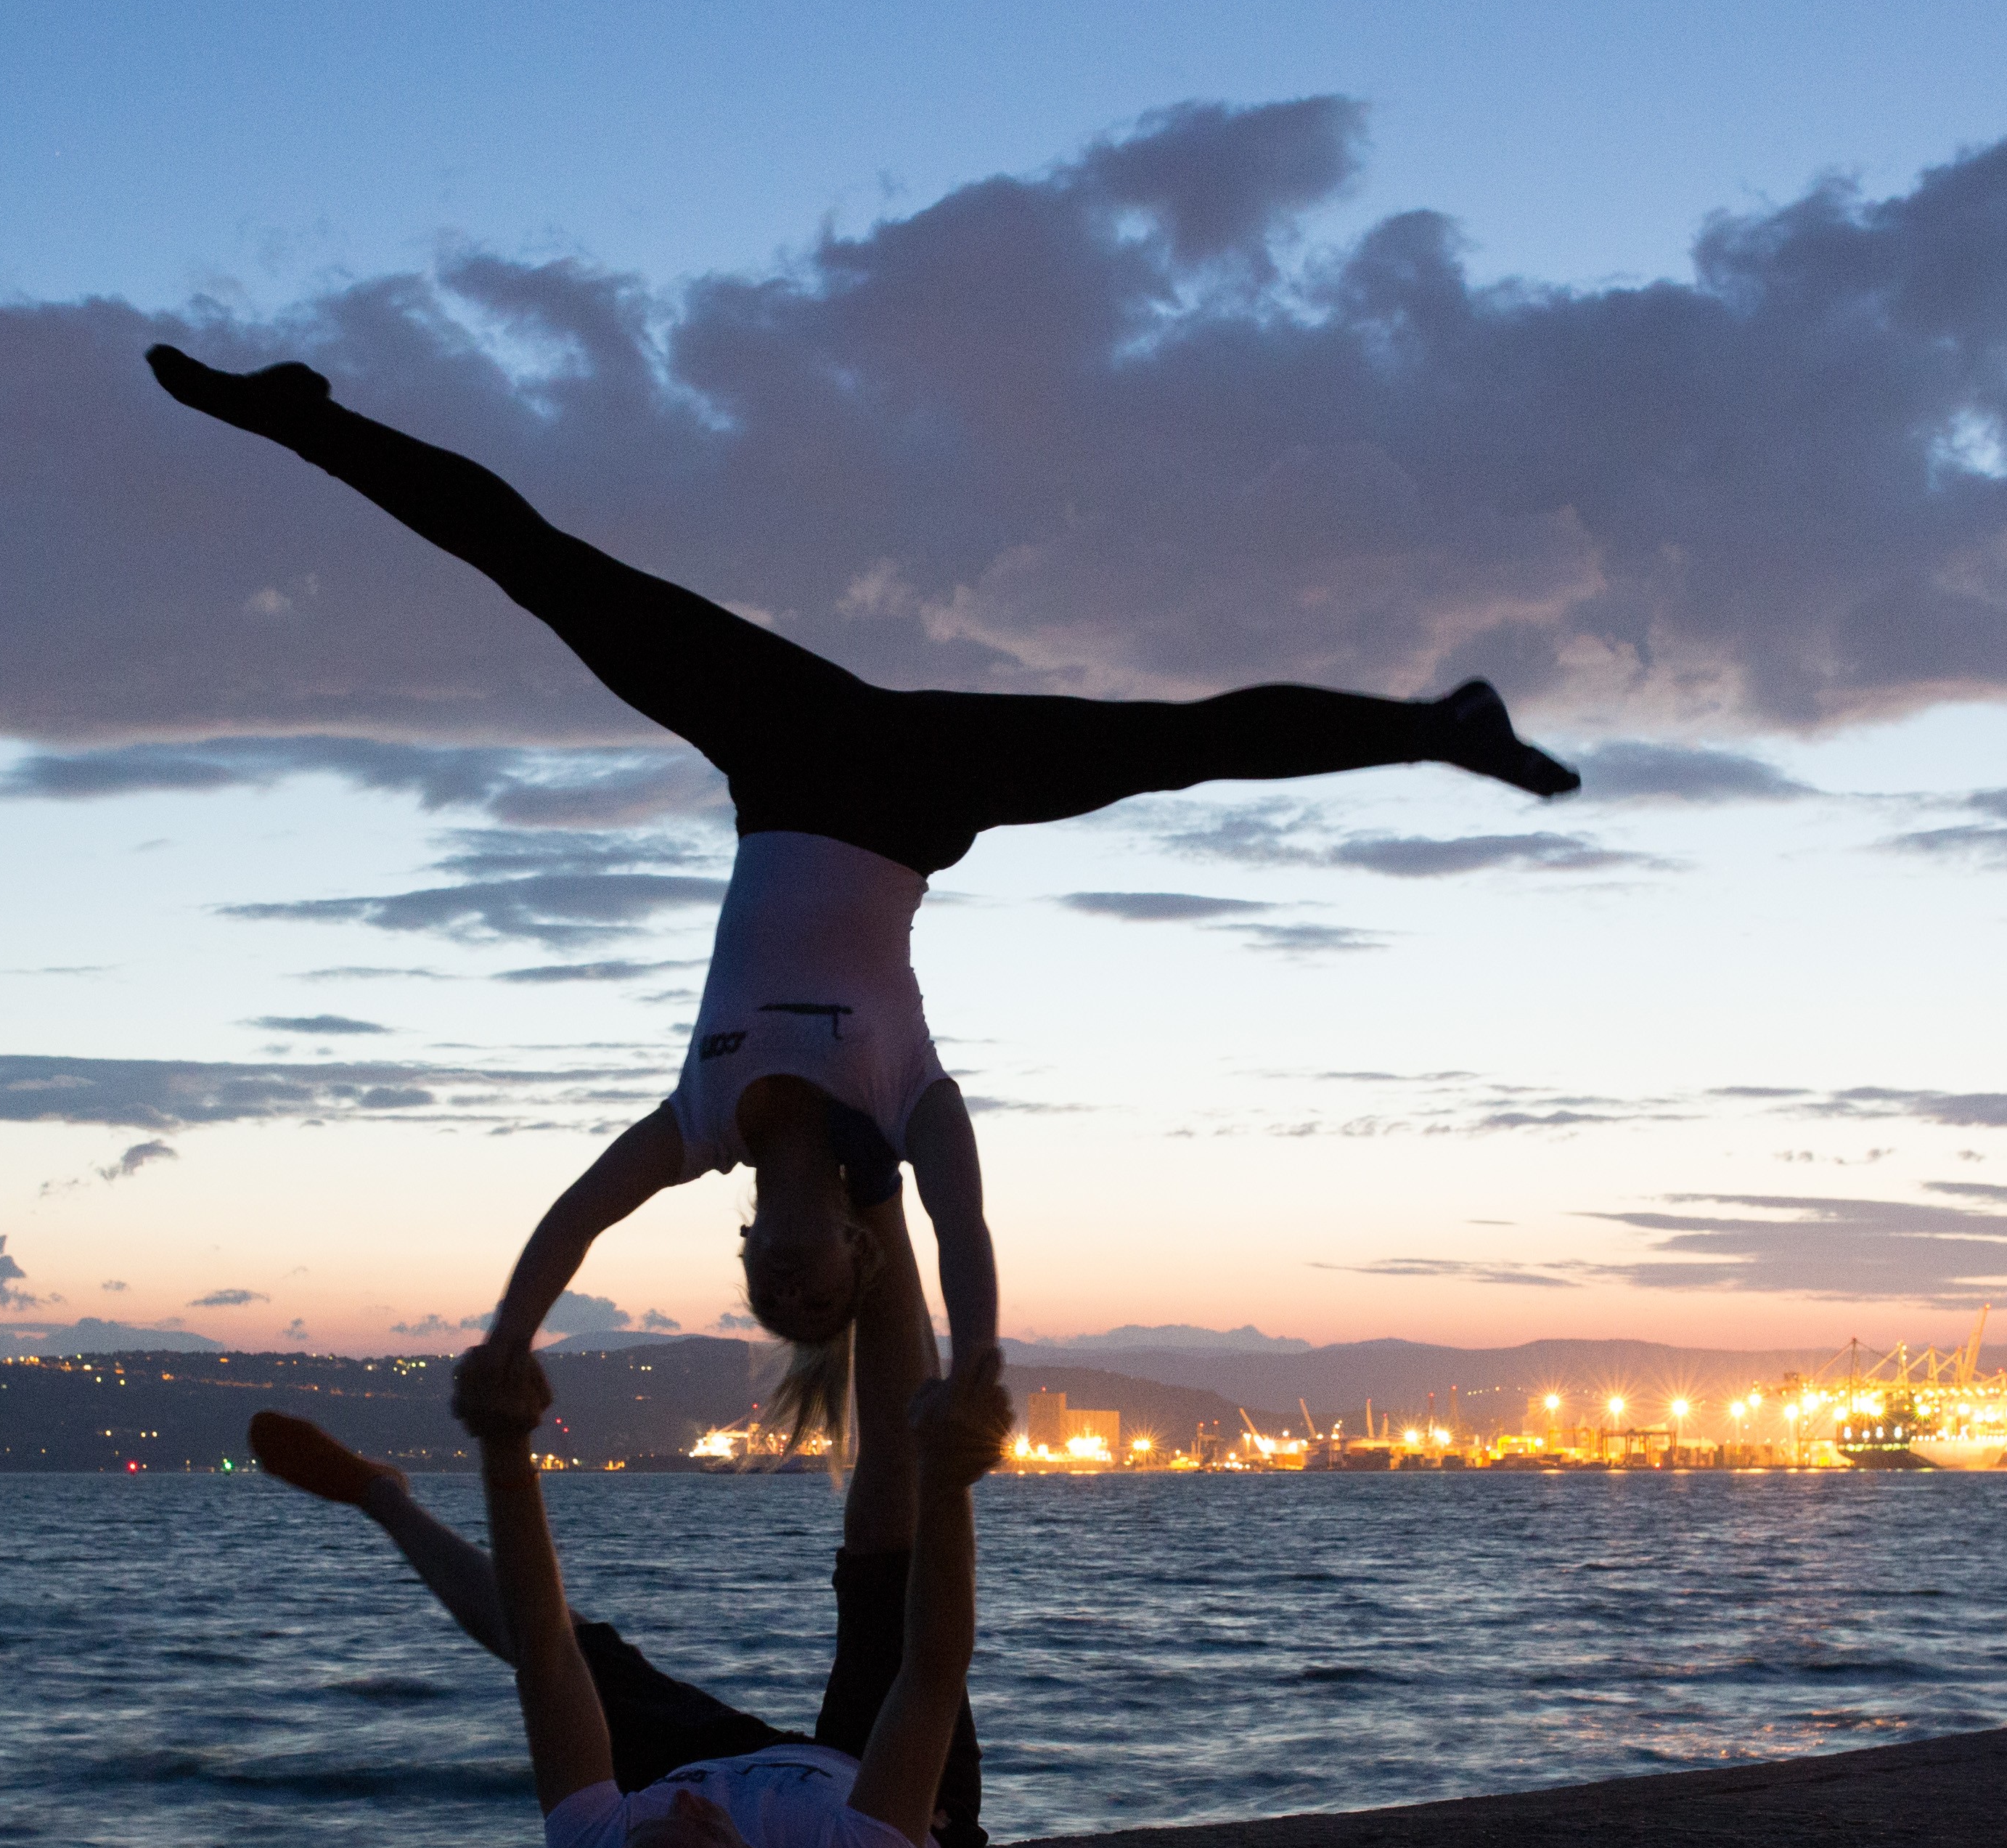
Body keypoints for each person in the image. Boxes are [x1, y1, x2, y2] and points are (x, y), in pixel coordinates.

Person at [147, 345, 1578, 1451]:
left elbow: (572, 1225)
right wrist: (976, 1371)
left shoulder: (700, 1123)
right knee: (1181, 743)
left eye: (784, 1286)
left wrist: (506, 1344)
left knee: (544, 570)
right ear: (852, 1242)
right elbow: (961, 1238)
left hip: (775, 756)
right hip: (912, 791)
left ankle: (299, 415)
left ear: (755, 1248)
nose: (803, 1275)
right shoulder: (900, 1108)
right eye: (831, 1287)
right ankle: (1445, 728)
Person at [247, 1224, 1011, 1848]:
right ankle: (880, 1198)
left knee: (565, 1652)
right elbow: (932, 1669)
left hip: (749, 1766)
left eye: (658, 1821)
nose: (686, 1803)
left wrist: (504, 1442)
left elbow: (545, 1650)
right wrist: (949, 1479)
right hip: (899, 1809)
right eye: (700, 1826)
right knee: (887, 1524)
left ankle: (383, 1496)